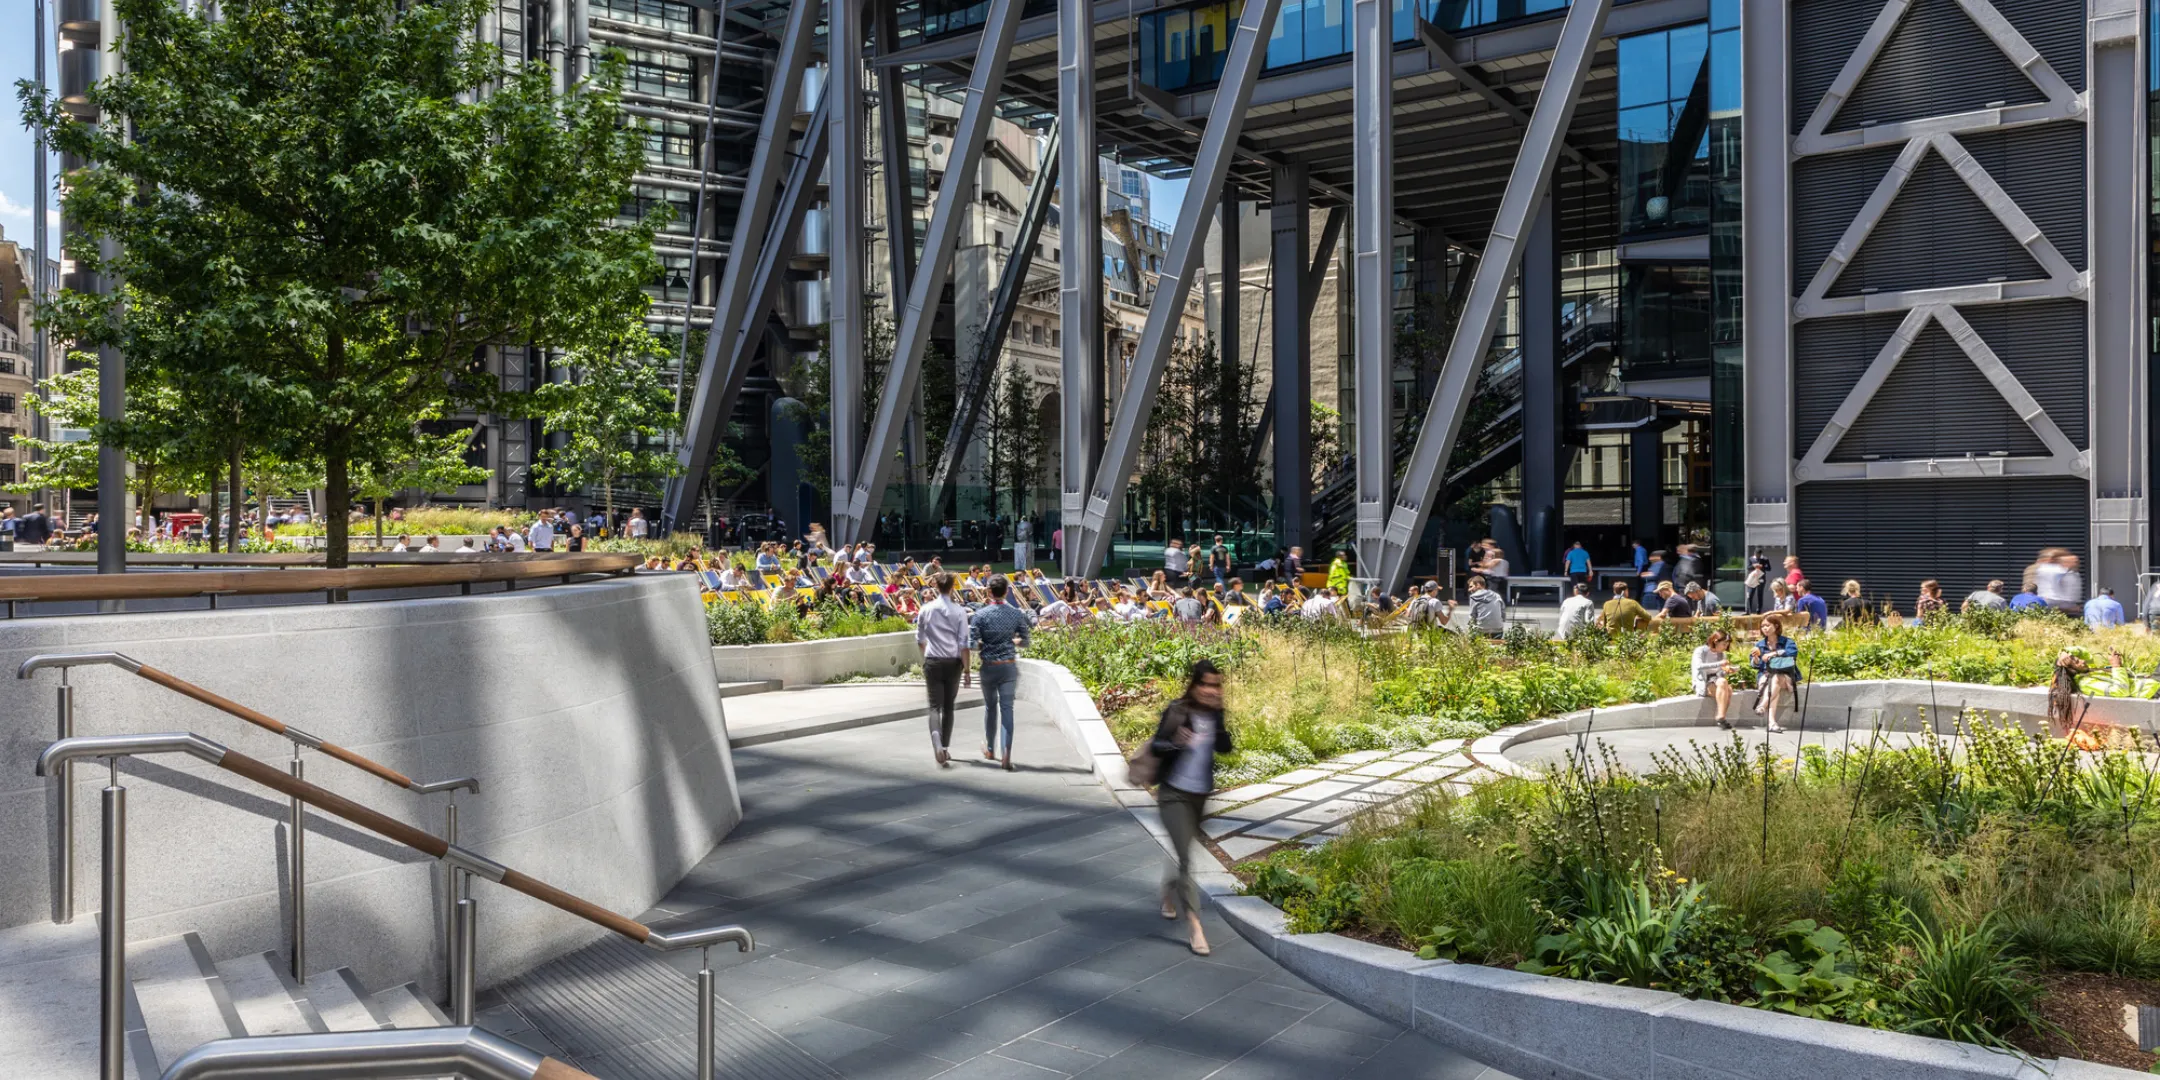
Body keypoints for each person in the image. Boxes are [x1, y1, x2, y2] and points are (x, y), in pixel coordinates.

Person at [1150, 659, 1233, 956]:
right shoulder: (1178, 710)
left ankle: (1167, 892)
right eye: (1207, 685)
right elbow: (1156, 745)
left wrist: (1220, 722)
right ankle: (1195, 926)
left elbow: (1225, 748)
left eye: (1216, 685)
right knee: (1186, 858)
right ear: (1194, 685)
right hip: (1173, 794)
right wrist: (1175, 742)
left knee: (1182, 851)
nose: (1212, 691)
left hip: (1200, 796)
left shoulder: (1215, 714)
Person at [969, 575, 1032, 771]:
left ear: (988, 591)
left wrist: (986, 644)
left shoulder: (980, 615)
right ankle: (1006, 753)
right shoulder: (1016, 614)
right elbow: (1025, 641)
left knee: (990, 707)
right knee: (1007, 709)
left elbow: (971, 644)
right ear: (1006, 591)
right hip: (1008, 666)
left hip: (988, 666)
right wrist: (1011, 642)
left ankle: (989, 749)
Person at [917, 573, 971, 767]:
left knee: (934, 706)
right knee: (949, 707)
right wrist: (967, 670)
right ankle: (946, 747)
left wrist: (926, 657)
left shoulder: (926, 609)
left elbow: (920, 639)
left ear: (936, 587)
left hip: (932, 660)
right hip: (953, 662)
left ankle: (937, 743)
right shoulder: (959, 611)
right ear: (953, 587)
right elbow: (964, 642)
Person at [1750, 617, 1796, 733]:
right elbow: (1755, 665)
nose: (1765, 628)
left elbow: (1792, 653)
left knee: (1776, 677)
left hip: (1785, 674)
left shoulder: (1787, 642)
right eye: (1762, 626)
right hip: (1766, 674)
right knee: (1773, 684)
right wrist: (1756, 658)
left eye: (1767, 625)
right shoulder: (1759, 645)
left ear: (1776, 626)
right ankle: (1772, 723)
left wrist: (1773, 654)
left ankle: (1763, 705)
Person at [1695, 630, 1738, 729]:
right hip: (1703, 681)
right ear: (1715, 641)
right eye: (1724, 644)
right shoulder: (1701, 651)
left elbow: (1720, 673)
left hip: (1716, 680)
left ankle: (1721, 717)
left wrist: (1727, 670)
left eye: (1727, 645)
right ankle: (1721, 717)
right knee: (1724, 684)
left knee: (1728, 688)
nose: (1725, 647)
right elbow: (1698, 666)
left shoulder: (1722, 654)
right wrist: (1719, 664)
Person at [2037, 549, 2083, 614]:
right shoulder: (2049, 570)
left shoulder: (2071, 573)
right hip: (2054, 605)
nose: (2075, 563)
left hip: (2064, 606)